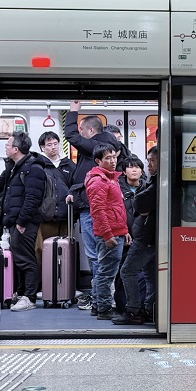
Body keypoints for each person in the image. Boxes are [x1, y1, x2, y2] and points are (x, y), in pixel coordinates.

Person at [63, 100, 120, 314]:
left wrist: (73, 111)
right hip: (91, 206)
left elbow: (70, 136)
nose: (80, 134)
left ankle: (100, 300)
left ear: (90, 131)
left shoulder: (97, 146)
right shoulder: (100, 150)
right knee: (101, 255)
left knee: (97, 256)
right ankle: (100, 298)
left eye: (82, 130)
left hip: (91, 211)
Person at [0, 132, 45, 312]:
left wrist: (22, 222)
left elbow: (32, 198)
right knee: (18, 260)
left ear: (16, 149)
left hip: (24, 222)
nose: (5, 147)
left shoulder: (33, 168)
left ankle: (29, 298)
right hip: (14, 221)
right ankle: (21, 292)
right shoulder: (15, 167)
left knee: (26, 260)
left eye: (8, 145)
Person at [85, 143, 131, 320]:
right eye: (108, 158)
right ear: (98, 161)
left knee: (104, 271)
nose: (113, 161)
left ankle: (98, 305)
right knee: (106, 273)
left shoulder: (110, 178)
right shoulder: (99, 181)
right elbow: (98, 211)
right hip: (109, 233)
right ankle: (104, 308)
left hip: (116, 231)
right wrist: (107, 234)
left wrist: (124, 230)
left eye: (114, 157)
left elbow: (117, 208)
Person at [114, 146, 159, 325]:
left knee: (127, 271)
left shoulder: (157, 184)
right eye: (148, 161)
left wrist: (142, 206)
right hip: (149, 236)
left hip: (146, 237)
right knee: (150, 275)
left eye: (153, 161)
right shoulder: (153, 181)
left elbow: (139, 203)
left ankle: (133, 310)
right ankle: (149, 308)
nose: (149, 165)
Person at [34, 131, 74, 271]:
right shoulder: (38, 165)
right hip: (44, 215)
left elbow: (75, 185)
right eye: (49, 144)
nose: (53, 147)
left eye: (55, 144)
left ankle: (65, 279)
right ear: (42, 147)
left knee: (66, 250)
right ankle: (44, 279)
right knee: (41, 249)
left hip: (65, 215)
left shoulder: (68, 165)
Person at [113, 155, 145, 314]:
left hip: (144, 238)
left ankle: (141, 307)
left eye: (137, 167)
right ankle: (122, 306)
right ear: (124, 171)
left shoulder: (147, 188)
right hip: (124, 237)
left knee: (143, 275)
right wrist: (123, 231)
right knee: (122, 273)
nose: (134, 170)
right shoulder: (116, 189)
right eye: (131, 167)